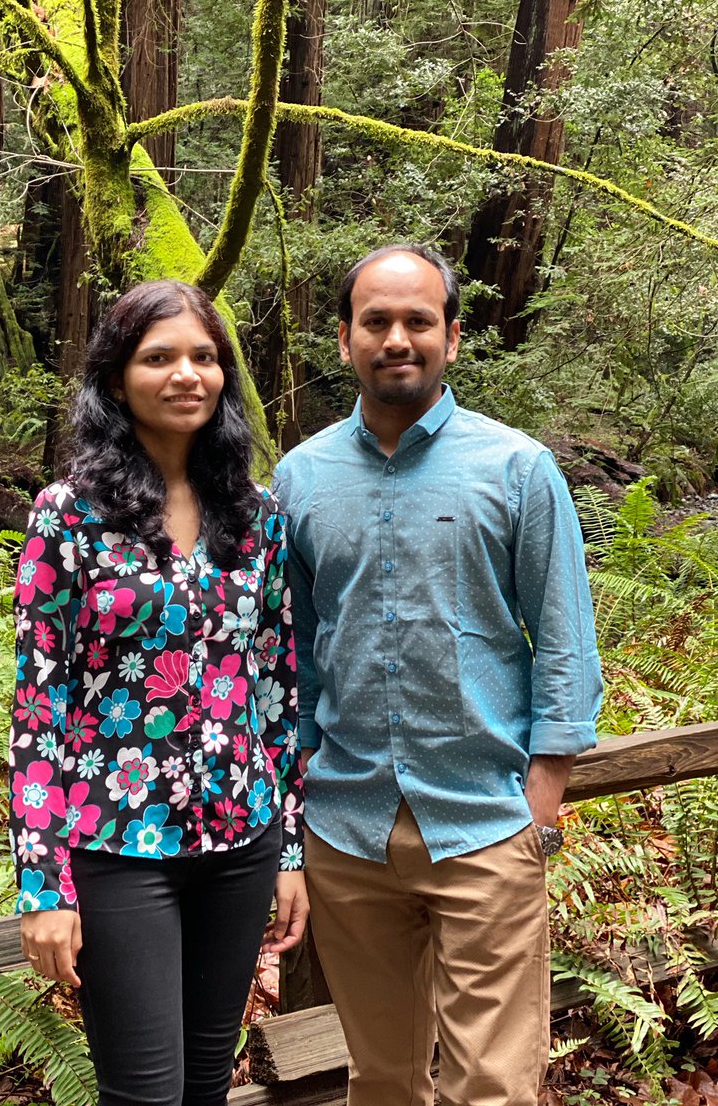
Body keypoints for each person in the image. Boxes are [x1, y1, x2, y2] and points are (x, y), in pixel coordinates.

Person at [273, 245, 603, 1106]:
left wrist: (541, 795)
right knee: (380, 1079)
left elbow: (564, 637)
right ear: (343, 339)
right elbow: (296, 652)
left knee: (493, 1084)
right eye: (375, 321)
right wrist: (297, 794)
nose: (397, 338)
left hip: (487, 821)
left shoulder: (518, 468)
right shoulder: (299, 479)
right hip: (348, 827)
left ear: (453, 338)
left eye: (418, 320)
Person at [9, 280, 307, 1106]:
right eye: (160, 357)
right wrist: (43, 886)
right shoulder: (67, 516)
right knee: (144, 1092)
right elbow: (40, 708)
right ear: (115, 381)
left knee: (207, 1084)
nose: (188, 374)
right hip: (118, 843)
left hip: (239, 840)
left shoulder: (256, 516)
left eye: (205, 357)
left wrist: (288, 848)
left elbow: (278, 691)